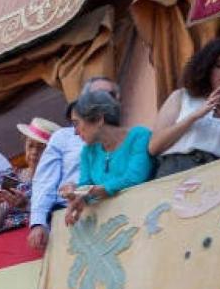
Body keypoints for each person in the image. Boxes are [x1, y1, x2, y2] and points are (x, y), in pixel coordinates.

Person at [27, 77, 120, 249]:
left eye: (110, 94)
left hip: (114, 213)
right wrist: (38, 223)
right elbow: (44, 182)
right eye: (97, 95)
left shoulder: (126, 136)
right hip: (68, 218)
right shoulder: (63, 137)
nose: (104, 99)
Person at [62, 91, 154, 226]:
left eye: (76, 123)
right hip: (113, 224)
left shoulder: (139, 135)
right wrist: (75, 195)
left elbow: (135, 177)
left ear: (99, 119)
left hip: (145, 216)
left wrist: (101, 189)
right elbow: (85, 185)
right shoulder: (88, 152)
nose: (75, 132)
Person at [149, 38, 220, 177]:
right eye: (219, 65)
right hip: (176, 168)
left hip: (219, 174)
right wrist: (195, 116)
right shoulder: (182, 96)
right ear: (207, 66)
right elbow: (154, 147)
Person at [0, 118, 60, 233]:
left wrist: (26, 205)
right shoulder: (12, 177)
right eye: (30, 146)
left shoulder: (59, 180)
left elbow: (59, 217)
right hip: (8, 241)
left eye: (41, 148)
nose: (34, 152)